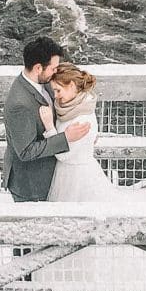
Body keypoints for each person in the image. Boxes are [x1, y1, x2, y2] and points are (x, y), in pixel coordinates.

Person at [1, 37, 89, 202]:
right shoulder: (19, 104)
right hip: (32, 184)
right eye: (53, 68)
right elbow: (26, 152)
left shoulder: (44, 81)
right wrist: (66, 138)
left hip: (52, 174)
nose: (56, 72)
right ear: (38, 68)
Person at [39, 63, 117, 201]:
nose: (55, 96)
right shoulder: (71, 107)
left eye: (58, 90)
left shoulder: (82, 118)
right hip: (66, 173)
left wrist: (49, 127)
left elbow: (64, 155)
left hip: (78, 178)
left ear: (71, 85)